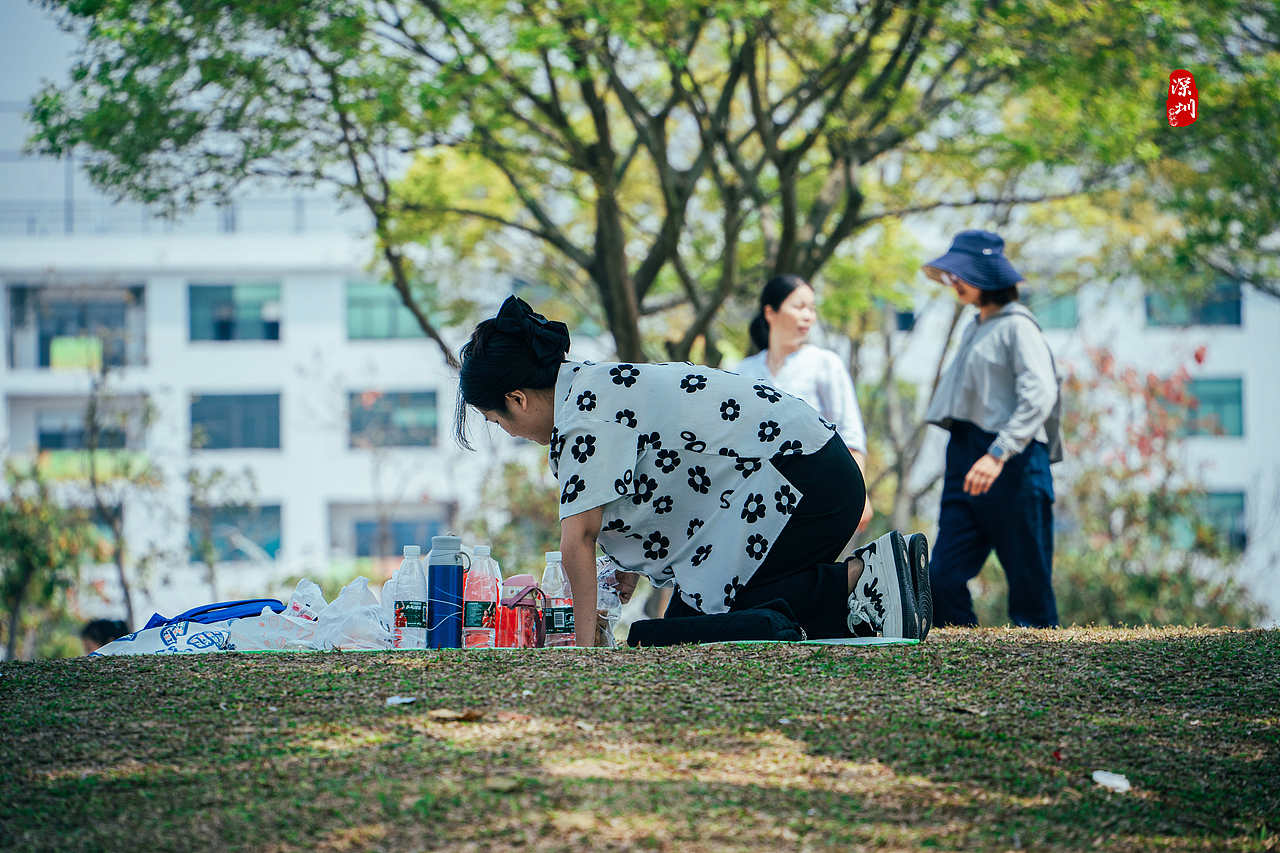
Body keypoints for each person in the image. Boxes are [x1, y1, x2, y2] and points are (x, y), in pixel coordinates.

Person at [455, 295, 932, 646]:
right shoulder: (591, 389)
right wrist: (629, 569)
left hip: (800, 482)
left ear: (518, 398)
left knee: (684, 634)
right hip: (809, 471)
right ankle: (871, 601)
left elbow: (577, 539)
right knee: (680, 629)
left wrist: (584, 653)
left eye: (499, 421)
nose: (511, 432)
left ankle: (862, 575)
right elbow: (665, 487)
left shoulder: (584, 416)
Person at [921, 230, 1061, 628]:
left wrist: (999, 453)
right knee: (941, 578)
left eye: (961, 274)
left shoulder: (1019, 326)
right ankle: (966, 654)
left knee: (1030, 590)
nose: (953, 282)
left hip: (1013, 461)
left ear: (987, 278)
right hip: (964, 453)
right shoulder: (975, 325)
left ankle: (1040, 674)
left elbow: (1040, 393)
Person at [736, 275, 873, 533]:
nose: (808, 316)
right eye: (800, 307)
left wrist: (860, 494)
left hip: (816, 493)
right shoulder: (743, 372)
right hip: (753, 500)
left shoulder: (824, 363)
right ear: (770, 312)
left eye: (812, 309)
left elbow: (850, 434)